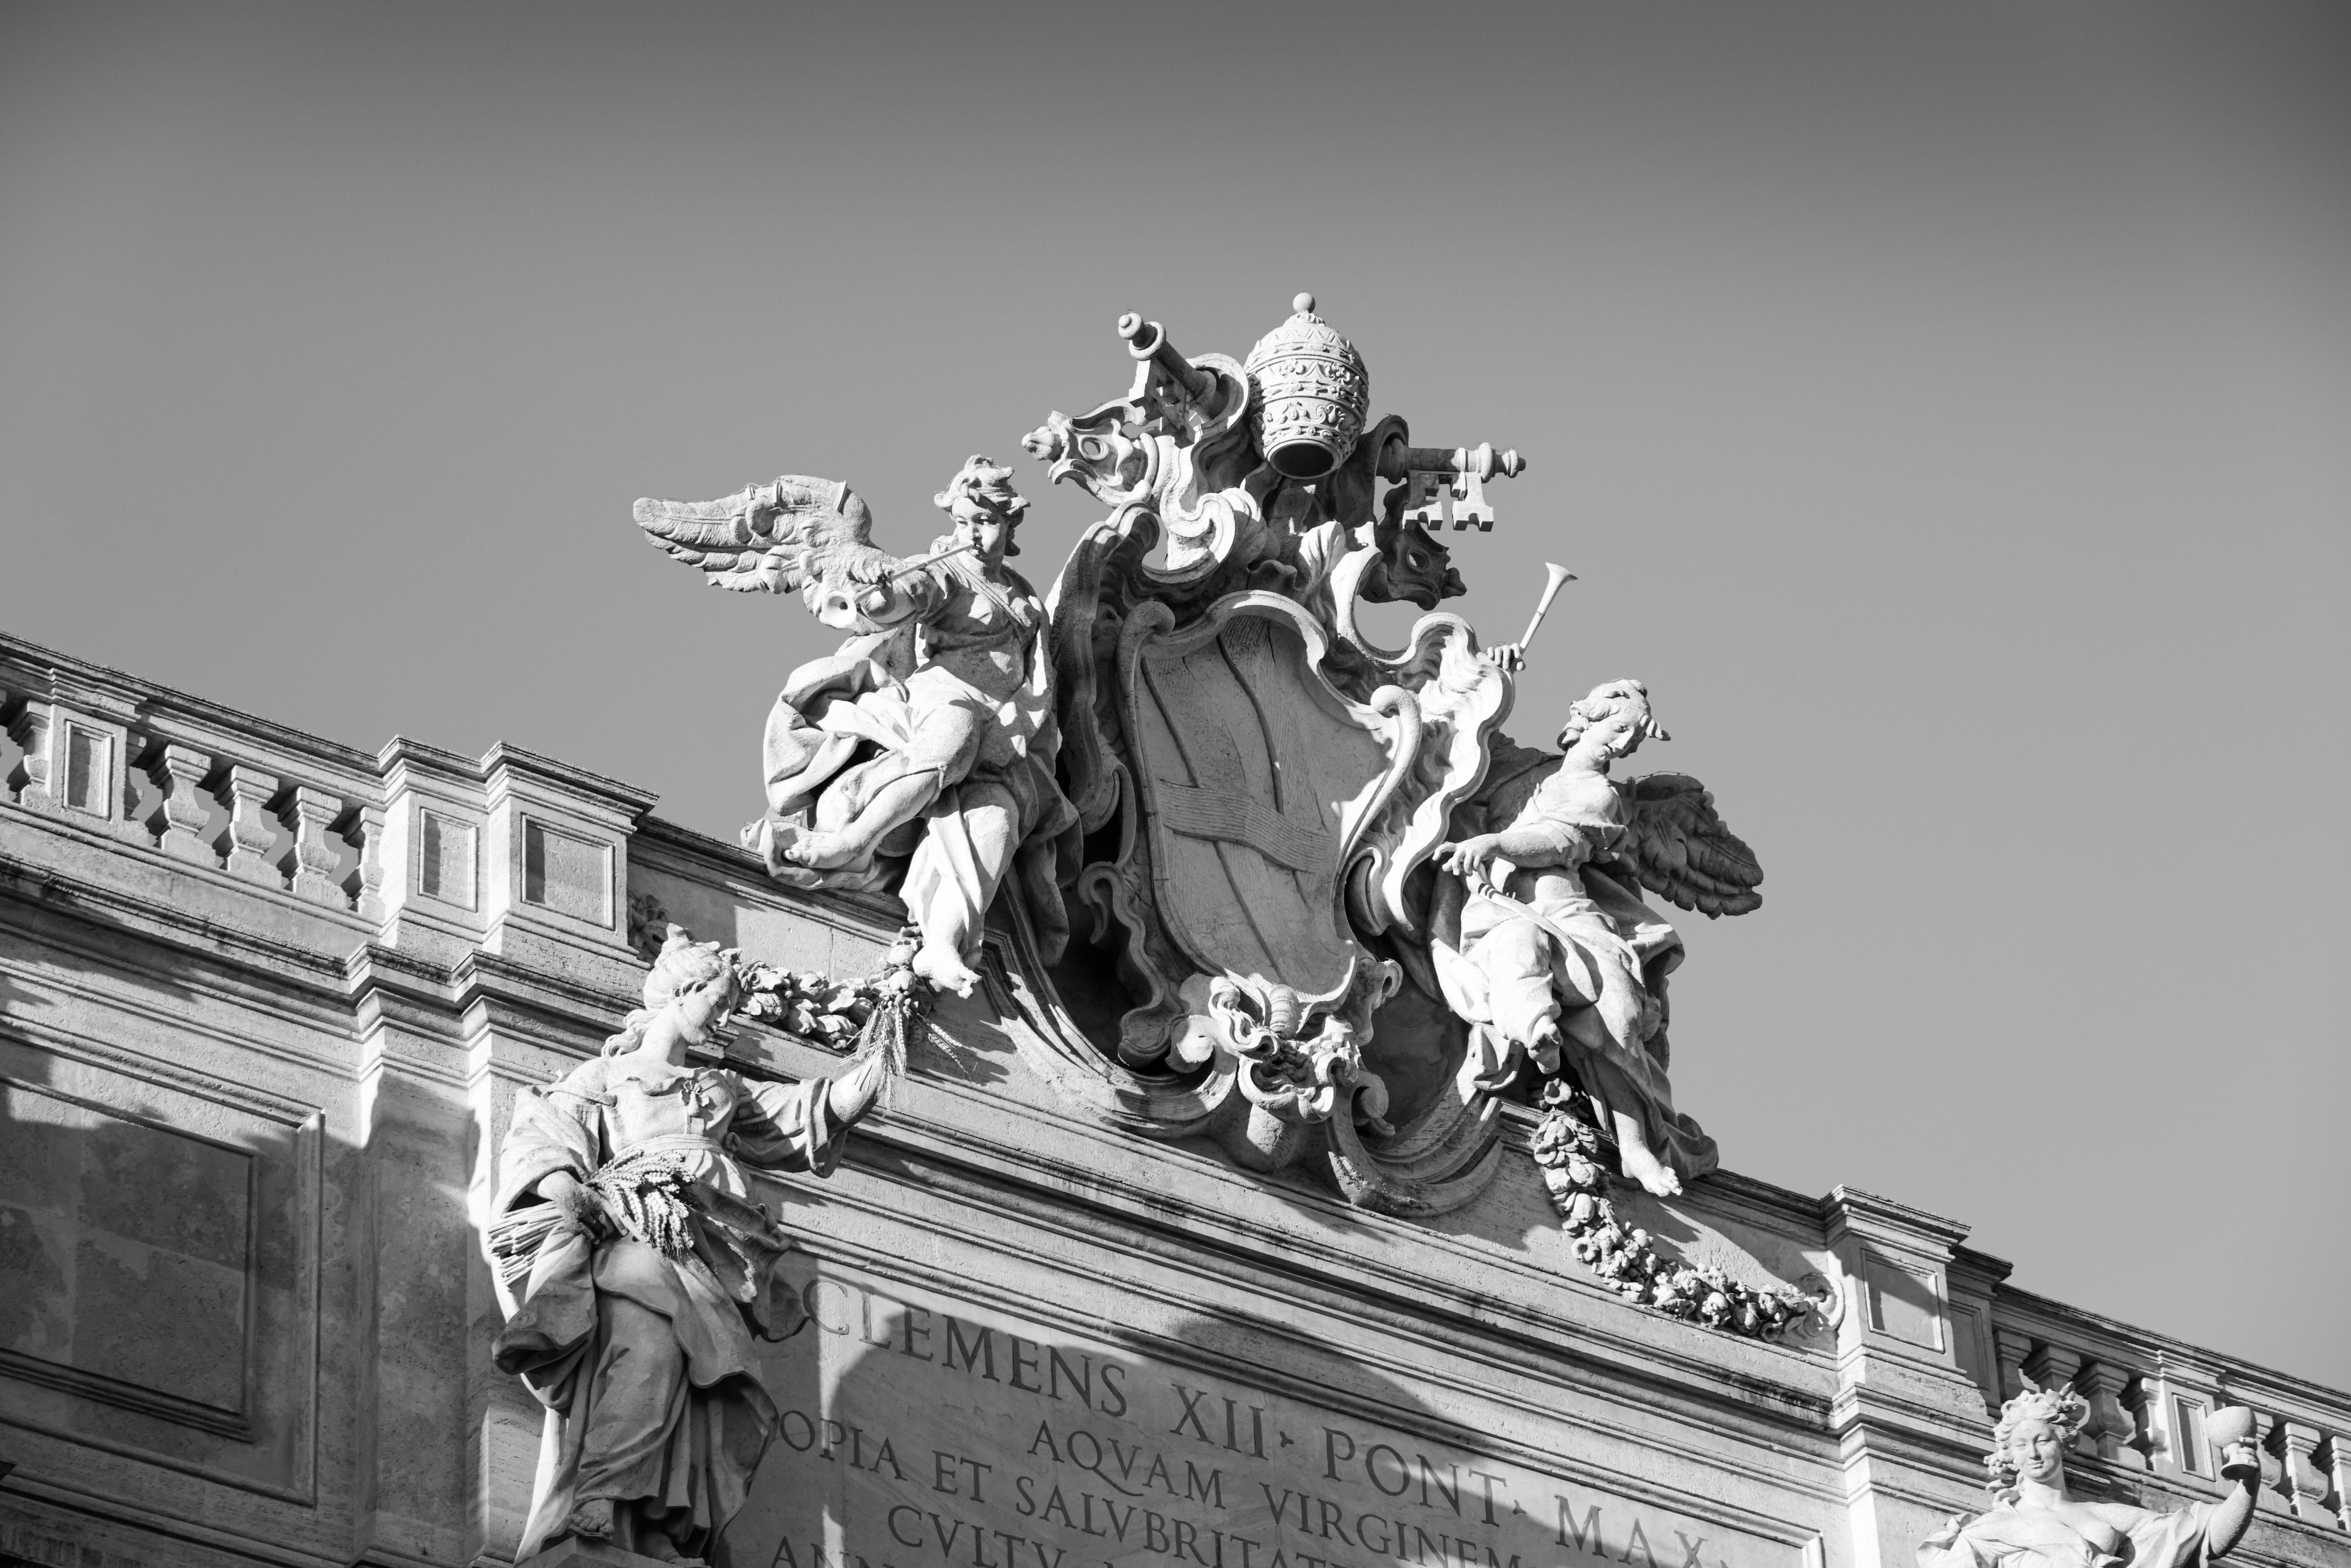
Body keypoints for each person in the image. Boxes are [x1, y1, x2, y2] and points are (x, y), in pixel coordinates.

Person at [490, 929, 890, 1562]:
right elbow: (540, 1134)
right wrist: (569, 1187)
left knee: (689, 1374)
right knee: (644, 1349)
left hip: (704, 1251)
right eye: (720, 1000)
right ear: (684, 991)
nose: (727, 1016)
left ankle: (654, 1522)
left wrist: (887, 1039)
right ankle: (601, 1494)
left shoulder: (724, 1088)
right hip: (632, 1226)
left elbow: (816, 1109)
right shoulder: (606, 1074)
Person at [750, 455, 1076, 995]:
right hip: (941, 700)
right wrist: (880, 590)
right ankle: (854, 840)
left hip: (1003, 734)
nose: (974, 533)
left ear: (1009, 525)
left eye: (987, 521)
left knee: (996, 821)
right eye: (965, 521)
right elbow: (898, 601)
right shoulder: (946, 571)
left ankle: (943, 942)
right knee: (955, 737)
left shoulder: (1024, 596)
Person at [1432, 680, 1712, 1196]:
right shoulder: (1521, 768)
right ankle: (1537, 1033)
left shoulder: (1601, 796)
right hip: (1500, 906)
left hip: (1572, 911)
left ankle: (1633, 1144)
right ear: (1588, 719)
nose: (1626, 743)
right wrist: (1490, 675)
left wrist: (1494, 840)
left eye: (1635, 736)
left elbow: (1559, 840)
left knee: (1620, 1012)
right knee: (1520, 946)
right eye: (1620, 727)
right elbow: (1461, 729)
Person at [1918, 1386, 2259, 1568]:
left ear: (2064, 1443)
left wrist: (2248, 1485)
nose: (2033, 1454)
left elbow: (2208, 1536)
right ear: (2010, 1454)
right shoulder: (1983, 1531)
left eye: (2042, 1440)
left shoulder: (2107, 1514)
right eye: (2021, 1445)